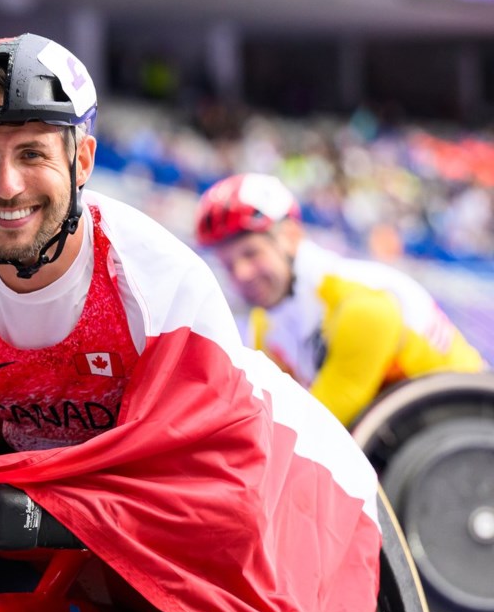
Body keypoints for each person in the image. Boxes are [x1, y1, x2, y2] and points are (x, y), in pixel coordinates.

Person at [0, 34, 383, 612]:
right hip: (71, 529)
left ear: (83, 159)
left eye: (32, 153)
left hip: (272, 499)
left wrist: (49, 516)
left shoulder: (161, 285)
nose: (6, 185)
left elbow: (219, 508)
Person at [194, 172, 486, 427]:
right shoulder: (263, 324)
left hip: (471, 430)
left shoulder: (361, 307)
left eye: (251, 254)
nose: (241, 274)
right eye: (229, 264)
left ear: (291, 237)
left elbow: (314, 434)